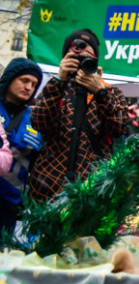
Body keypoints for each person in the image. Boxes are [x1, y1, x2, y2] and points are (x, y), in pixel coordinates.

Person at [28, 29, 131, 202]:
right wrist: (59, 80)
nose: (80, 61)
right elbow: (39, 121)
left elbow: (119, 126)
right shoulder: (55, 88)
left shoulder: (110, 92)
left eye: (86, 58)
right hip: (48, 189)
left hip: (91, 192)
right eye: (75, 57)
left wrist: (101, 93)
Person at [0, 58, 43, 231]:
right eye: (24, 80)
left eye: (33, 84)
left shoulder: (35, 119)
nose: (29, 88)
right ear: (10, 79)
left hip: (10, 205)